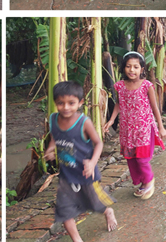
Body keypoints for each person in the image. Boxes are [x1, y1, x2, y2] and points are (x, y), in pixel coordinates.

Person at [45, 81, 117, 242]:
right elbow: (54, 135)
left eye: (71, 103)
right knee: (64, 211)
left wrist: (92, 163)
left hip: (86, 173)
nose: (66, 107)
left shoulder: (84, 122)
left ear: (80, 103)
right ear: (55, 103)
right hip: (66, 176)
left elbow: (98, 143)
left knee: (95, 203)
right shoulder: (53, 119)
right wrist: (50, 149)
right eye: (60, 103)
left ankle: (107, 212)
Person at [103, 51, 166, 200]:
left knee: (142, 159)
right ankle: (142, 183)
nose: (132, 70)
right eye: (128, 66)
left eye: (136, 67)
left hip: (143, 127)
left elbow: (154, 107)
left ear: (142, 69)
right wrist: (112, 120)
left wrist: (161, 127)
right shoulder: (119, 86)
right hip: (126, 128)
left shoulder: (147, 86)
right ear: (123, 68)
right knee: (131, 158)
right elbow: (119, 104)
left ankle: (149, 181)